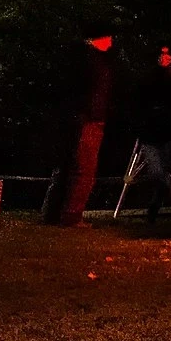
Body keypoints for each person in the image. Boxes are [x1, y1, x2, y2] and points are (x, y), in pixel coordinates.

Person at [41, 20, 115, 227]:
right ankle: (72, 215)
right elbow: (94, 93)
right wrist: (95, 114)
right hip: (87, 120)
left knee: (65, 166)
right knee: (83, 168)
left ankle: (51, 213)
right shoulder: (93, 61)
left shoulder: (74, 57)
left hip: (71, 119)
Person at [136, 42, 171, 227]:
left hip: (170, 131)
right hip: (151, 132)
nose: (163, 58)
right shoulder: (148, 77)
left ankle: (155, 209)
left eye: (167, 54)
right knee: (157, 172)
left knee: (163, 171)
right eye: (161, 54)